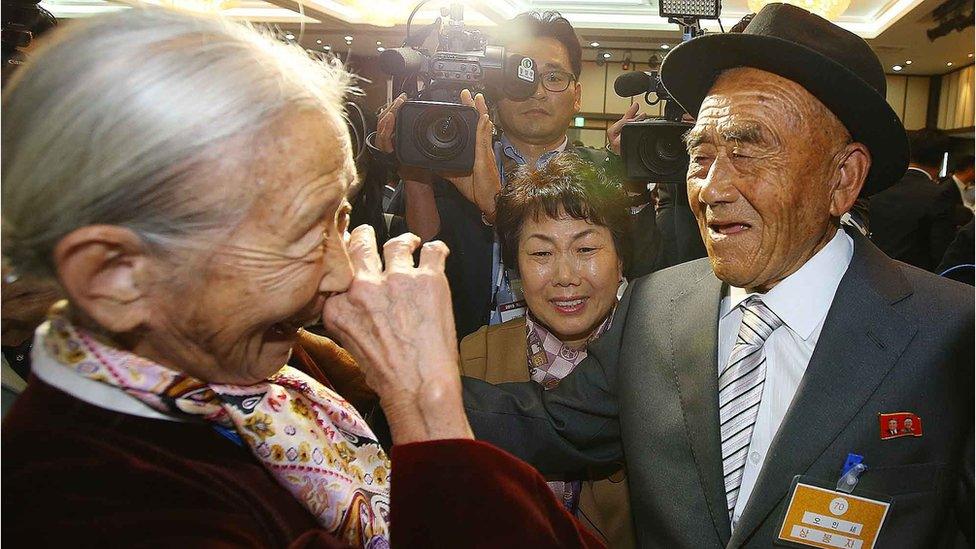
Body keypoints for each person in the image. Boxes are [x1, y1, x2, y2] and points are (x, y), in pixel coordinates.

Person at [1, 8, 605, 547]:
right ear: (114, 276)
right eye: (302, 234)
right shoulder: (85, 501)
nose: (343, 275)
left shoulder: (285, 370)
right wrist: (426, 407)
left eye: (341, 218)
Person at [460, 4, 974, 547]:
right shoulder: (657, 307)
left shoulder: (950, 337)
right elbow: (546, 426)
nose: (711, 189)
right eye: (701, 156)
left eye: (750, 153)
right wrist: (389, 374)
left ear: (843, 177)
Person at [374, 11, 663, 340]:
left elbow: (646, 274)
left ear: (577, 95)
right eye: (521, 76)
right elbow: (414, 257)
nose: (537, 92)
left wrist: (632, 178)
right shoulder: (450, 159)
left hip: (580, 367)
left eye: (554, 78)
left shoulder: (604, 174)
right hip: (467, 359)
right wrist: (414, 166)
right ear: (496, 88)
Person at [460, 153, 635, 547]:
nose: (565, 277)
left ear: (621, 256)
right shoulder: (475, 357)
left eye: (586, 249)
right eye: (541, 253)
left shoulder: (659, 357)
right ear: (515, 269)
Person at [869, 129, 960, 271]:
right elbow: (941, 252)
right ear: (941, 160)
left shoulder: (881, 186)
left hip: (870, 269)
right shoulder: (939, 195)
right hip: (913, 280)